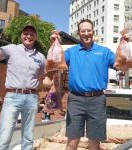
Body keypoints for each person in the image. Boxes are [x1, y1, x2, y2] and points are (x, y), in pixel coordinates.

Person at [50, 19, 127, 150]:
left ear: (93, 32)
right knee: (72, 141)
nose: (86, 33)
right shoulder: (71, 52)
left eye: (89, 30)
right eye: (83, 31)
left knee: (94, 142)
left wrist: (125, 44)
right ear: (78, 33)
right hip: (75, 100)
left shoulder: (104, 52)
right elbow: (54, 63)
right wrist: (53, 43)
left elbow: (122, 66)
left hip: (97, 100)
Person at [0, 25, 46, 150]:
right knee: (4, 138)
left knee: (28, 138)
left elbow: (45, 79)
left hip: (32, 98)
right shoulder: (12, 49)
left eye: (31, 34)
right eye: (25, 33)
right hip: (13, 97)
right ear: (21, 36)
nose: (28, 36)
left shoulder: (41, 57)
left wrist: (52, 79)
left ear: (36, 37)